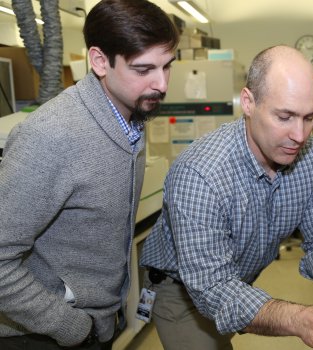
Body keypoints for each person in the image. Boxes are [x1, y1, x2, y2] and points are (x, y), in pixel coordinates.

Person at [140, 45, 313, 350]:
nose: (299, 135)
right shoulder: (201, 174)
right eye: (284, 117)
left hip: (236, 278)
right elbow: (214, 288)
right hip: (182, 289)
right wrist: (300, 319)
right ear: (248, 103)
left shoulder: (311, 156)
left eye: (309, 118)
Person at [0, 1, 179, 349]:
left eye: (167, 66)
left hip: (96, 325)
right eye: (144, 69)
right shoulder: (51, 136)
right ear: (99, 61)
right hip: (40, 334)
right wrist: (69, 326)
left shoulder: (130, 117)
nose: (161, 84)